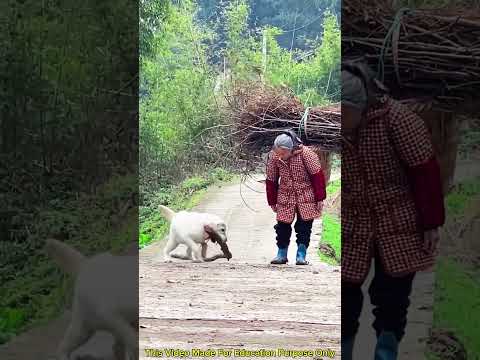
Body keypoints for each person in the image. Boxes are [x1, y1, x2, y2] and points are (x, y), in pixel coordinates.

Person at [341, 61, 445, 360]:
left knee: (392, 296)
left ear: (361, 106)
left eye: (345, 114)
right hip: (354, 221)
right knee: (345, 294)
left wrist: (430, 225)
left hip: (398, 219)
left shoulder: (397, 120)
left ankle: (386, 349)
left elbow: (424, 173)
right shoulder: (334, 127)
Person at [265, 131, 326, 265]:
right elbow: (271, 180)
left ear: (291, 149)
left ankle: (301, 254)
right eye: (278, 153)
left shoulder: (307, 154)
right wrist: (272, 200)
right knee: (282, 226)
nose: (280, 156)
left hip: (306, 195)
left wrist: (320, 198)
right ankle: (281, 253)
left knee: (304, 227)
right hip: (285, 196)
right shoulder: (275, 157)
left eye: (283, 153)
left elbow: (317, 177)